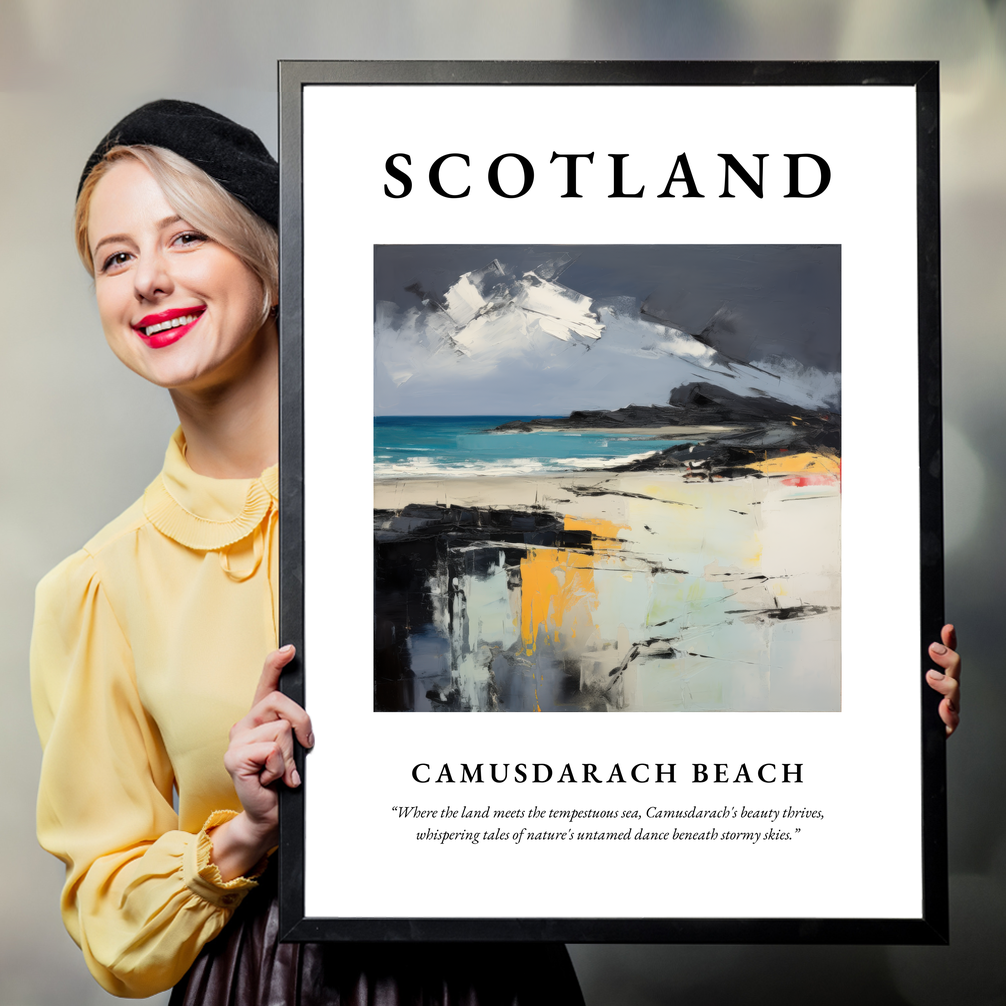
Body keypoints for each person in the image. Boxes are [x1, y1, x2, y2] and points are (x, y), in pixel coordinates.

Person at [30, 100, 585, 1004]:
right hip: (263, 982)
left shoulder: (456, 501)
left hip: (492, 973)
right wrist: (245, 832)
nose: (148, 281)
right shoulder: (97, 587)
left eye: (186, 239)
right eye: (116, 257)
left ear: (274, 265)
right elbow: (110, 924)